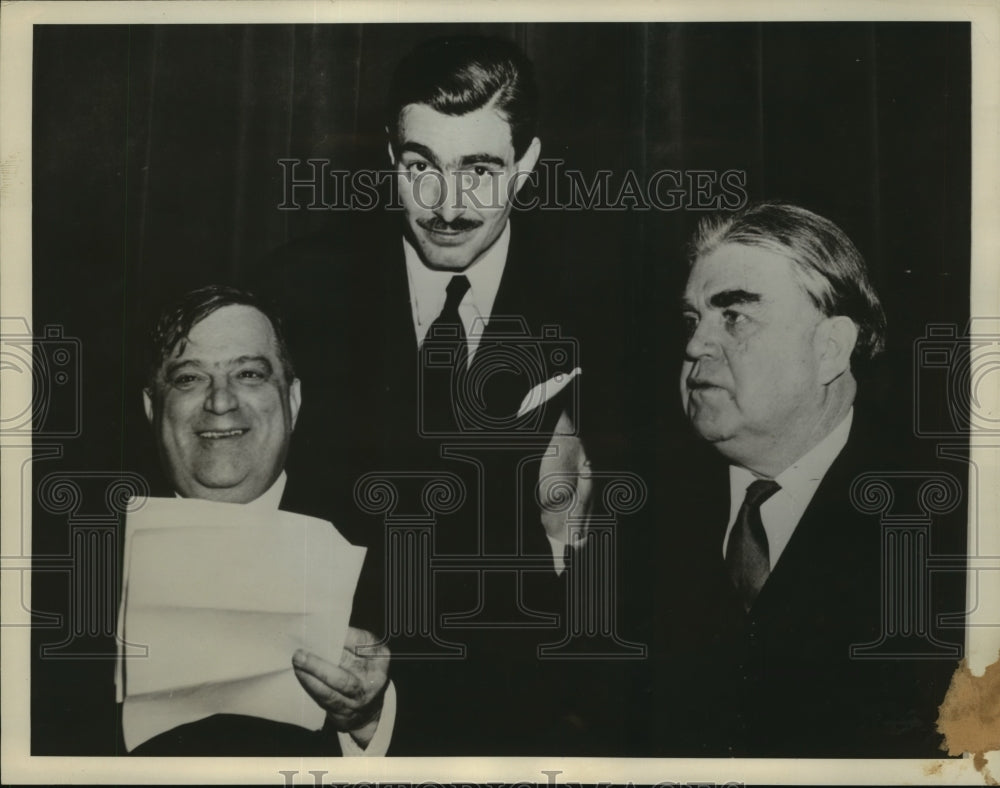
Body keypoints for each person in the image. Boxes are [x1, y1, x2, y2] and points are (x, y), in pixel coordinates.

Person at [254, 35, 602, 754]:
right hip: (320, 724)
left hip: (523, 729)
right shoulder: (299, 291)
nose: (447, 205)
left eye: (480, 170)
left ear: (528, 166)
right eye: (422, 167)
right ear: (390, 159)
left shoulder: (605, 304)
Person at [632, 202, 961, 756]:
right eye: (693, 320)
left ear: (830, 347)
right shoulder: (647, 515)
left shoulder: (948, 532)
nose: (693, 346)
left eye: (733, 316)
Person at [130, 284, 393, 756]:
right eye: (189, 378)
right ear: (153, 406)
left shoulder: (395, 559)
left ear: (292, 400)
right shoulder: (71, 572)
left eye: (248, 373)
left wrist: (369, 720)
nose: (220, 402)